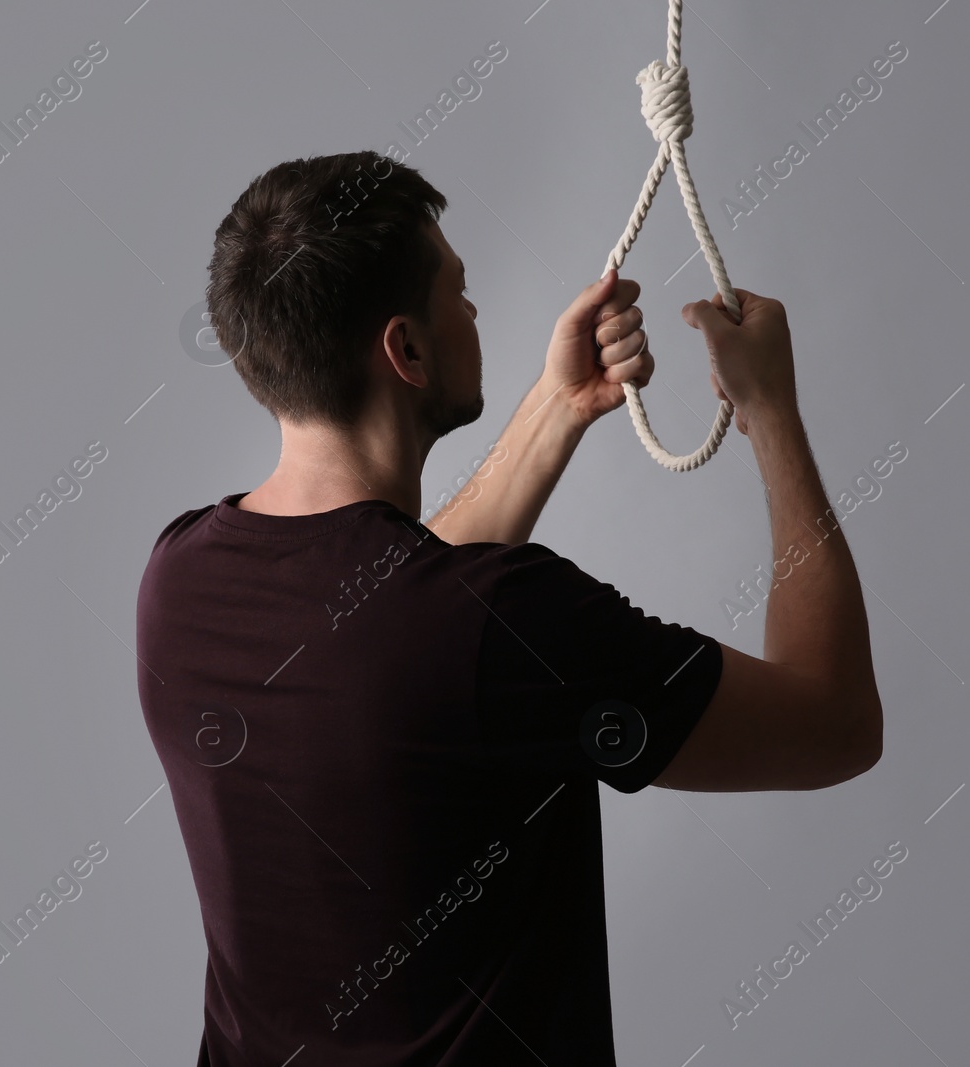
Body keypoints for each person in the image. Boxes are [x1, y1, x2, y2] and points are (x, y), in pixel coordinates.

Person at [136, 150, 883, 1065]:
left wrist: (557, 406)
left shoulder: (178, 578)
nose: (476, 310)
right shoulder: (509, 622)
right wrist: (769, 410)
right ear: (406, 350)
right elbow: (836, 720)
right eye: (459, 290)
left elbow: (396, 608)